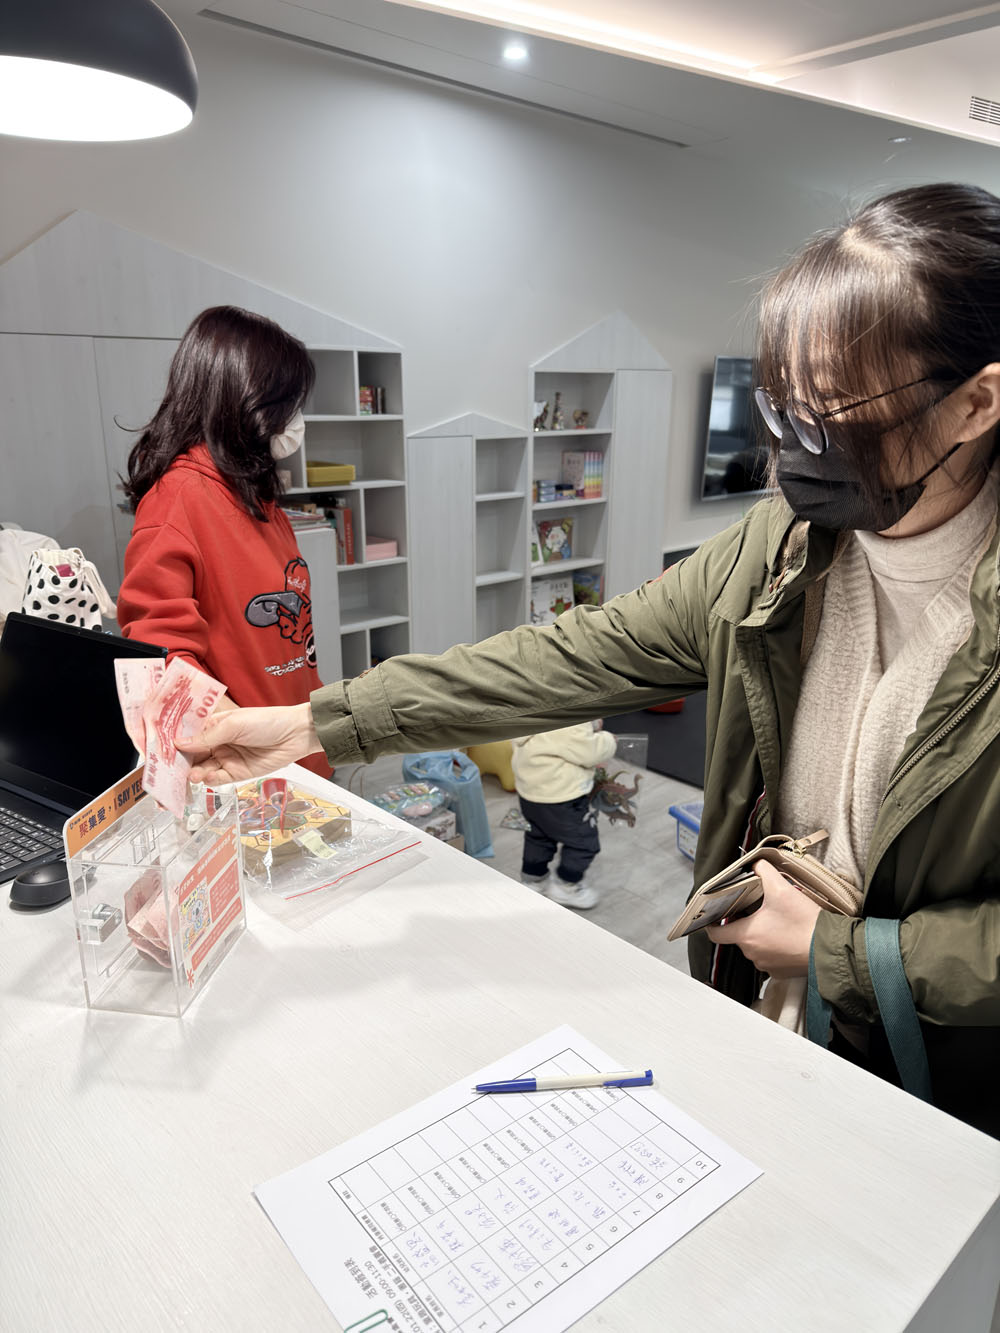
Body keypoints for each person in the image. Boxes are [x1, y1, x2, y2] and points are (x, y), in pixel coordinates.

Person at [183, 183, 1000, 1138]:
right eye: (782, 411)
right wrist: (313, 722)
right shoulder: (776, 550)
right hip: (775, 1027)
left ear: (975, 402)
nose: (789, 456)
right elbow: (565, 658)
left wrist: (843, 951)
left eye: (832, 418)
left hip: (944, 1093)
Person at [117, 305, 330, 776]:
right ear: (246, 400)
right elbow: (160, 650)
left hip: (297, 753)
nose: (296, 419)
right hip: (247, 770)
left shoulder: (256, 496)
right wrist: (236, 739)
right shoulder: (179, 499)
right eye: (287, 404)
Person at [511, 721, 617, 909]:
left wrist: (590, 724)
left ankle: (533, 879)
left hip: (530, 792)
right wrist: (608, 740)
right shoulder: (568, 720)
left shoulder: (530, 711)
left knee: (538, 836)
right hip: (562, 797)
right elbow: (589, 752)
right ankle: (566, 886)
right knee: (584, 842)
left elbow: (558, 740)